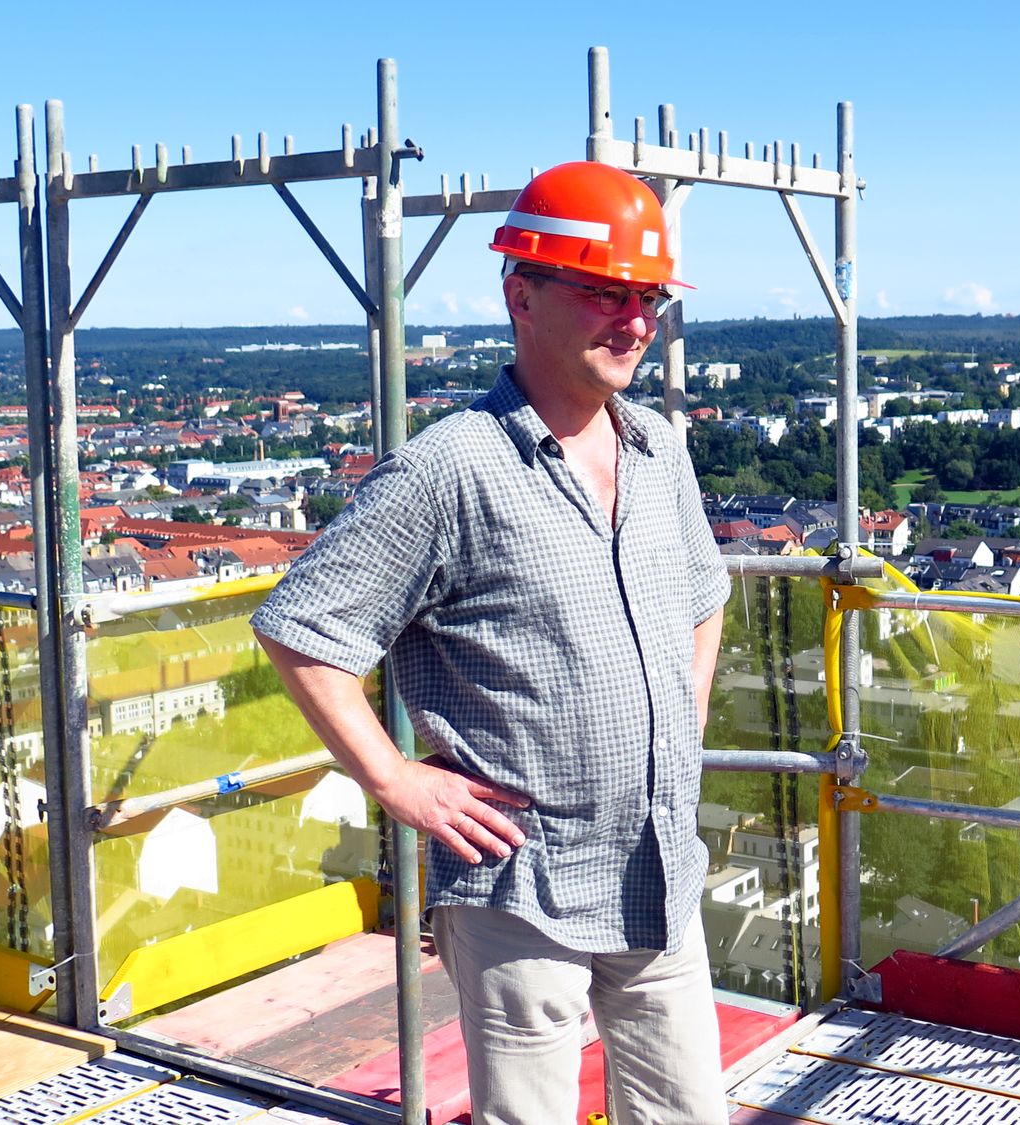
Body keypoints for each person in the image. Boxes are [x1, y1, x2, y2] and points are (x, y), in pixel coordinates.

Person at [251, 160, 731, 1125]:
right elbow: (302, 630)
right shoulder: (446, 471)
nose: (634, 321)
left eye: (647, 299)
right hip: (524, 887)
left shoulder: (657, 448)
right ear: (521, 295)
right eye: (604, 293)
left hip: (657, 867)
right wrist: (397, 781)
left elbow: (702, 597)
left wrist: (677, 737)